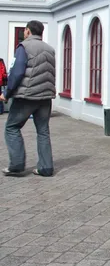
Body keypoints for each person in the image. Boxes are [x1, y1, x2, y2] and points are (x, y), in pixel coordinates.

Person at [0, 21, 56, 177]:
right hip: (45, 97)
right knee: (43, 131)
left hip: (27, 96)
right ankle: (46, 168)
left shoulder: (24, 47)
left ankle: (16, 166)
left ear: (27, 31)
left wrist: (7, 93)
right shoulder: (50, 50)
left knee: (12, 127)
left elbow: (17, 72)